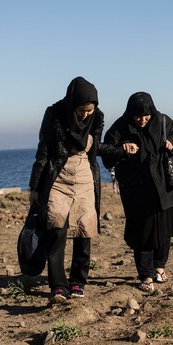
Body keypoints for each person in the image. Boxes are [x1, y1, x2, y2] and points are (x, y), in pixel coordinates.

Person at [28, 76, 120, 304]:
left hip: (85, 176)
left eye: (90, 110)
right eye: (82, 110)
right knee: (56, 227)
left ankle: (78, 281)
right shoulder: (54, 114)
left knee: (84, 228)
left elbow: (96, 148)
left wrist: (121, 151)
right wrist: (35, 186)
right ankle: (58, 286)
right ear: (72, 103)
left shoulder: (97, 117)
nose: (86, 114)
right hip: (58, 176)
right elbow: (43, 151)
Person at [102, 92, 173, 292]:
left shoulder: (162, 121)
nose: (142, 119)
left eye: (146, 115)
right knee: (142, 234)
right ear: (130, 113)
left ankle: (160, 267)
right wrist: (122, 149)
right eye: (137, 116)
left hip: (162, 187)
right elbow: (105, 151)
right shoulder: (120, 127)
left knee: (163, 231)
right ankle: (145, 275)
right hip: (136, 190)